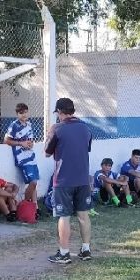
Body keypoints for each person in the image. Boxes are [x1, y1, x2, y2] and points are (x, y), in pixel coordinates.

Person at [44, 98, 93, 264]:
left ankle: (64, 253)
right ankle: (86, 250)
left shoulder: (57, 128)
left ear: (59, 112)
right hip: (83, 178)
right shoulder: (86, 128)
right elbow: (85, 148)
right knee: (83, 215)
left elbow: (46, 152)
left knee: (64, 216)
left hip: (63, 180)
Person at [4, 103, 40, 219]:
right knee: (33, 182)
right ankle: (24, 203)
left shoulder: (29, 124)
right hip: (22, 159)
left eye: (25, 112)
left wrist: (30, 144)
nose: (24, 115)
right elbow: (6, 140)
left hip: (31, 157)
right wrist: (21, 143)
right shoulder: (14, 125)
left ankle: (35, 208)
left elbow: (29, 139)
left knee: (34, 184)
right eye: (21, 113)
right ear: (17, 114)